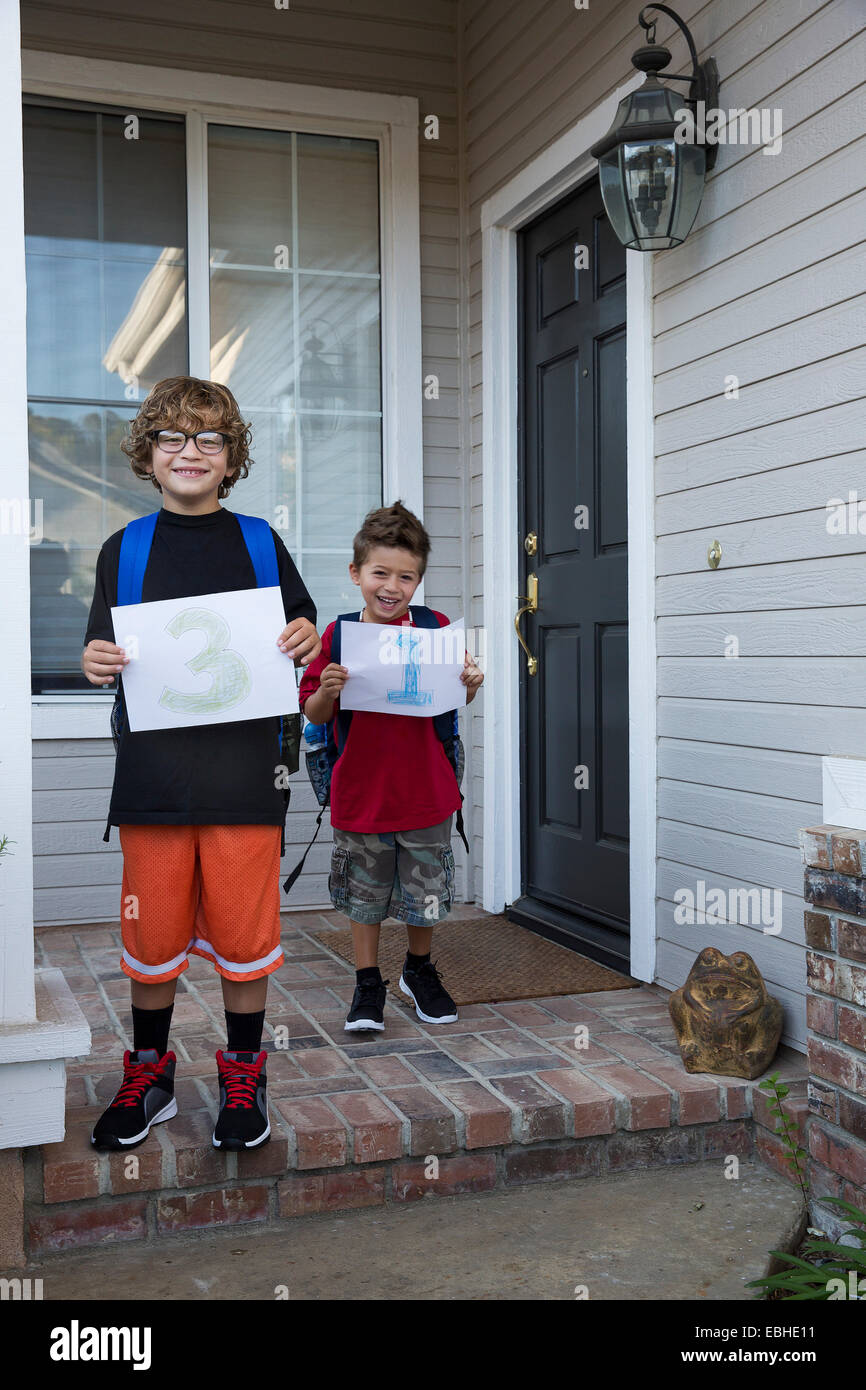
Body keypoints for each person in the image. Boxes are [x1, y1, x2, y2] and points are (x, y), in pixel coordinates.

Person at [81, 375, 320, 1151]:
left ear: (231, 457)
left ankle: (243, 1073)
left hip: (246, 776)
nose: (190, 451)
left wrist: (305, 635)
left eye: (208, 439)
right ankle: (149, 1071)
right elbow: (103, 650)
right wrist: (95, 660)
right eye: (172, 438)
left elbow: (301, 622)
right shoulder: (124, 549)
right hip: (153, 777)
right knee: (151, 939)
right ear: (149, 455)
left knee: (245, 936)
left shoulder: (258, 541)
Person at [299, 501, 483, 1032]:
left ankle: (419, 970)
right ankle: (367, 980)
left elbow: (450, 704)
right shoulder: (337, 635)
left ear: (419, 581)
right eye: (381, 573)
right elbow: (313, 712)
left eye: (406, 576)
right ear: (356, 573)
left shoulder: (436, 628)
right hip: (361, 790)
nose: (392, 586)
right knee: (365, 893)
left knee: (425, 891)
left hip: (426, 787)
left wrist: (469, 683)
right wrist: (327, 690)